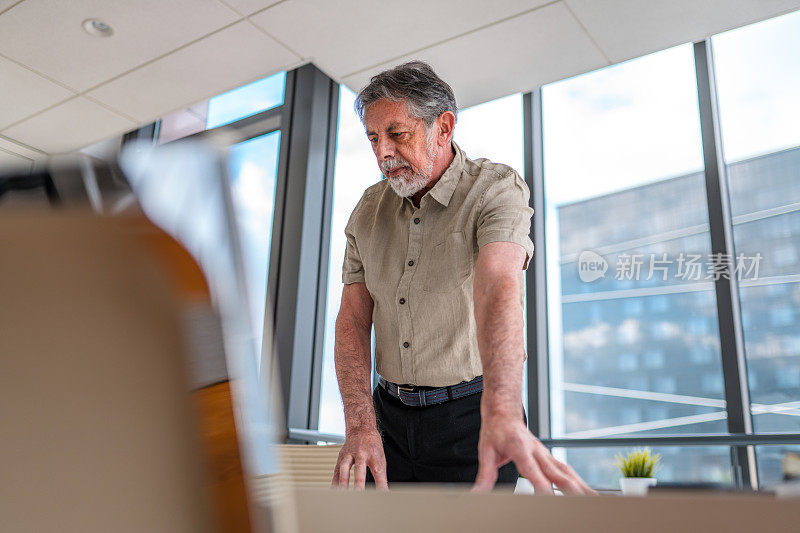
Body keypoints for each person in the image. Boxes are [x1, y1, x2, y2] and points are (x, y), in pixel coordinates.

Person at [330, 61, 594, 495]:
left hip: (471, 420)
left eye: (397, 134)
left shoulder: (495, 189)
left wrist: (504, 408)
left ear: (444, 127)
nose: (382, 154)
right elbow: (353, 321)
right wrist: (360, 425)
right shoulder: (367, 210)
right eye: (374, 139)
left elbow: (497, 284)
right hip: (386, 421)